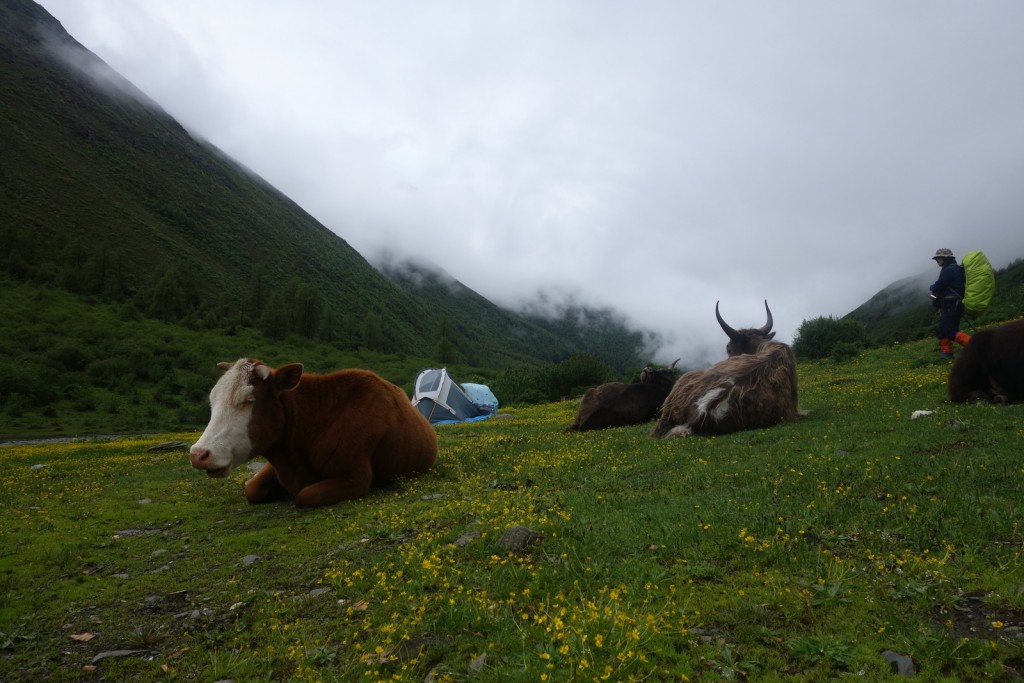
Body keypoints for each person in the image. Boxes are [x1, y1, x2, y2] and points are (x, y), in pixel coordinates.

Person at [929, 248, 971, 359]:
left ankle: (976, 347)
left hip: (953, 305)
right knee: (942, 330)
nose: (937, 260)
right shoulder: (950, 268)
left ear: (945, 258)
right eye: (936, 258)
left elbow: (937, 286)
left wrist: (932, 287)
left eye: (938, 258)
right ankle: (946, 355)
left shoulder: (950, 270)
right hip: (950, 305)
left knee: (950, 330)